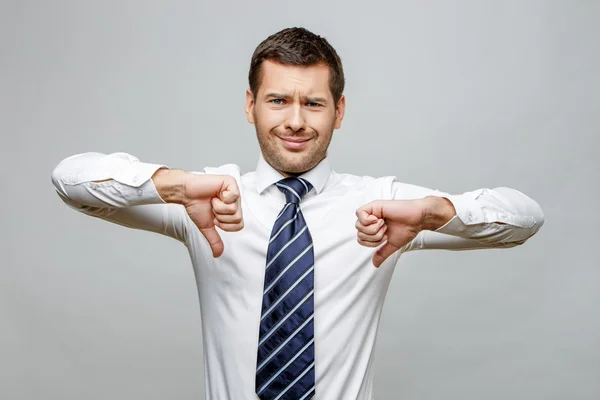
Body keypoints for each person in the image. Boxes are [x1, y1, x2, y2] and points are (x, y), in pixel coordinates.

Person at [51, 27, 544, 400]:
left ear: (339, 110)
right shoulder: (203, 202)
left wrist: (436, 212)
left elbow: (524, 219)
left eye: (313, 103)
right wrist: (175, 186)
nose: (294, 120)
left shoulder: (385, 208)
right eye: (278, 100)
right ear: (251, 105)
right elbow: (72, 182)